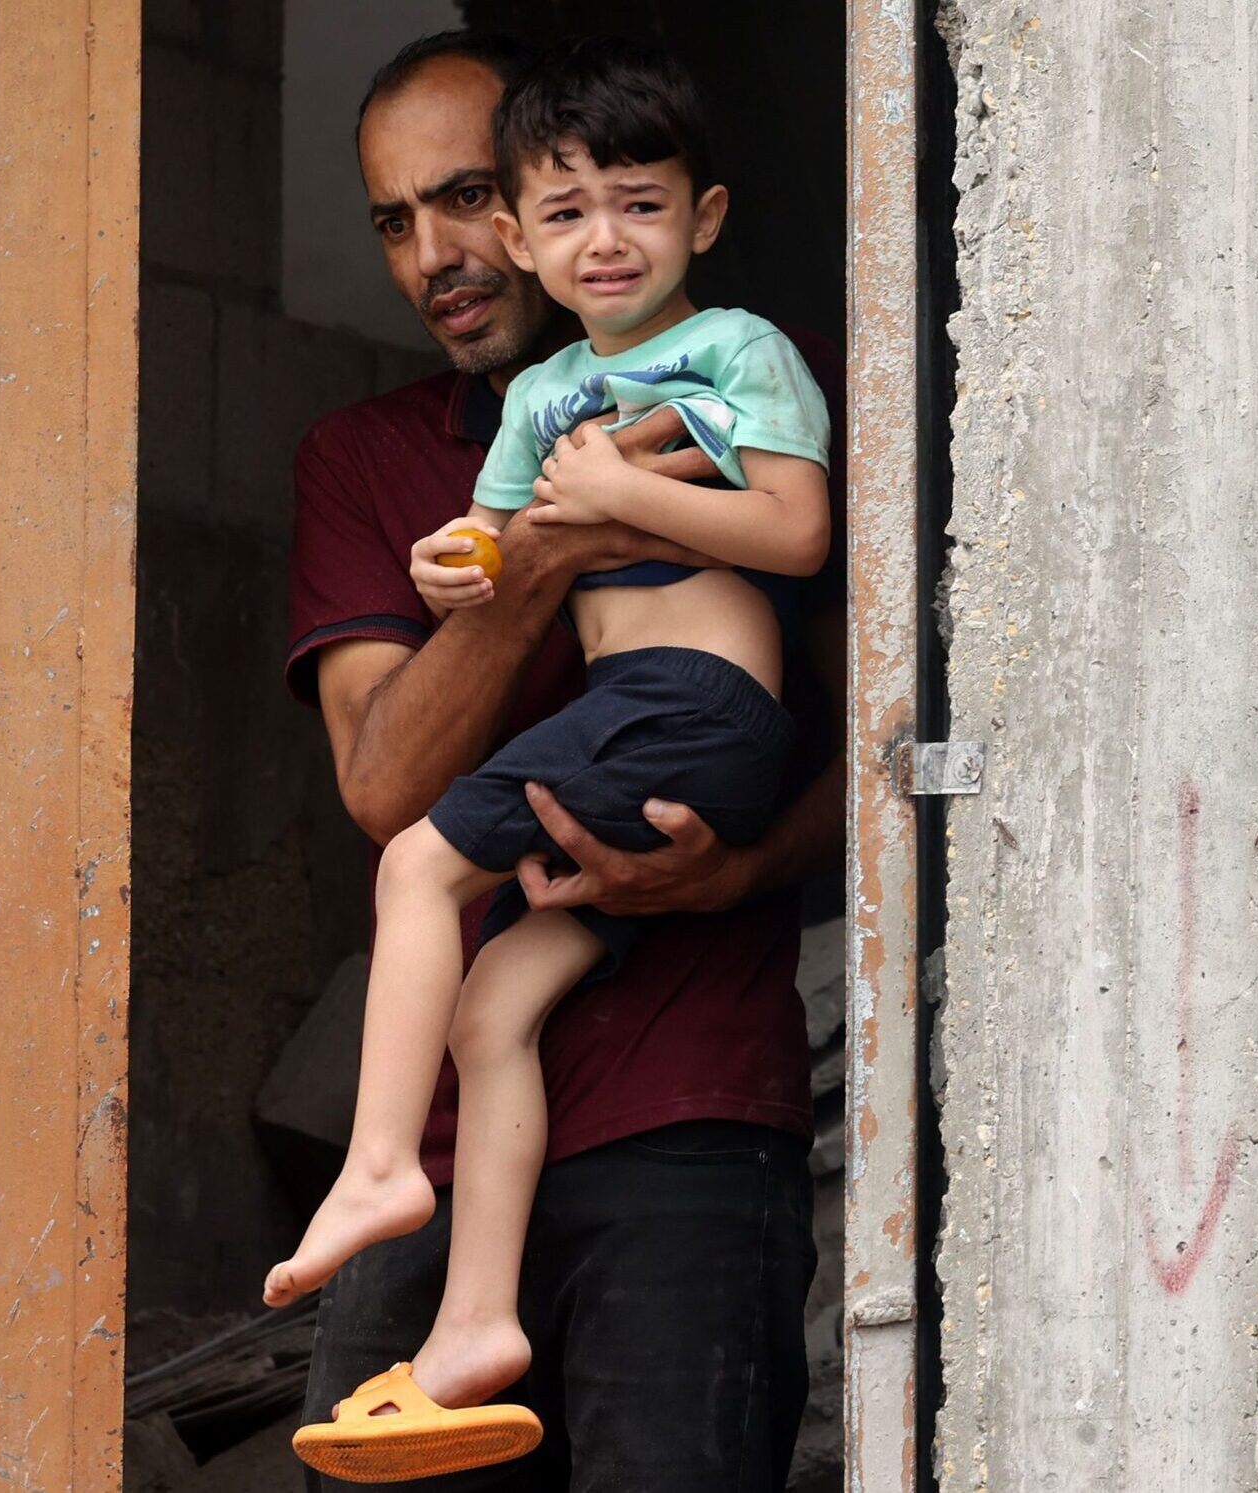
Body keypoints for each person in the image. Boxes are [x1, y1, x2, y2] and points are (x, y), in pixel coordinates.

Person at [279, 28, 845, 1491]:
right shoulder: (376, 454)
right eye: (396, 221)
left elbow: (897, 732)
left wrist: (742, 868)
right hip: (465, 1150)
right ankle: (427, 1251)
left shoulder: (758, 375)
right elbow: (381, 787)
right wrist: (549, 546)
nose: (438, 254)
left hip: (691, 1117)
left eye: (466, 194)